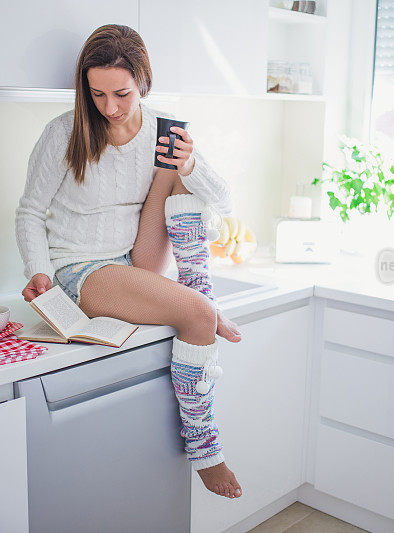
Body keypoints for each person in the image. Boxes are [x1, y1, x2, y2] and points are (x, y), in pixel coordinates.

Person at [15, 24, 243, 499]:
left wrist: (190, 164)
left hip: (138, 257)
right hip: (82, 270)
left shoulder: (162, 126)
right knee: (199, 315)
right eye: (96, 93)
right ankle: (204, 446)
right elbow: (30, 212)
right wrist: (38, 270)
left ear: (143, 81)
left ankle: (198, 291)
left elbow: (222, 201)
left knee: (181, 176)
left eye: (120, 93)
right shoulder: (64, 133)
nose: (109, 108)